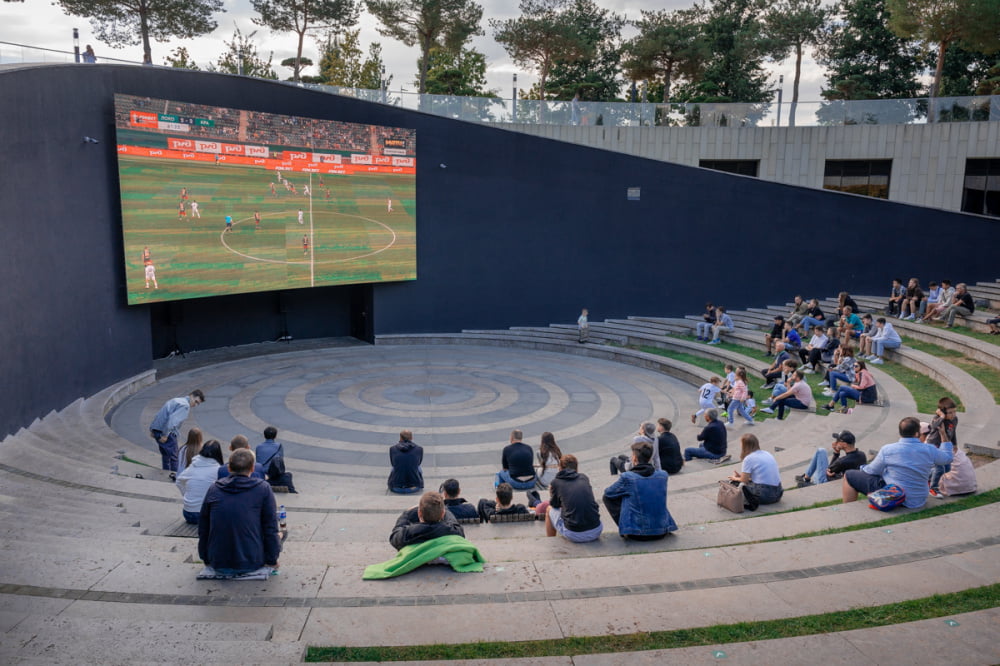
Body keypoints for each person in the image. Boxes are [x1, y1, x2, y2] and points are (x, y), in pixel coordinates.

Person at [198, 448, 282, 575]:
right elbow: (270, 527)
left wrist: (205, 557)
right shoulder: (263, 489)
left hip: (218, 561)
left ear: (229, 468)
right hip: (252, 562)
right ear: (252, 469)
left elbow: (203, 527)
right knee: (280, 533)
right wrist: (272, 560)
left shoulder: (214, 488)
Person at [843, 417, 954, 508]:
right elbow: (948, 458)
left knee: (849, 475)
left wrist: (862, 468)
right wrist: (943, 433)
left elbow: (872, 470)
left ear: (900, 432)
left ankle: (848, 509)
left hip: (895, 496)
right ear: (917, 433)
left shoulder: (888, 449)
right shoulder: (930, 449)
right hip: (919, 499)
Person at [602, 441, 677, 540]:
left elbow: (608, 493)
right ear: (650, 458)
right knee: (644, 493)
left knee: (612, 496)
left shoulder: (628, 477)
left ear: (634, 458)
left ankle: (627, 528)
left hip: (637, 534)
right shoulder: (663, 475)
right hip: (661, 530)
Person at [545, 455, 603, 543]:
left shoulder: (556, 482)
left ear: (560, 468)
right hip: (596, 530)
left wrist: (552, 493)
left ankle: (550, 541)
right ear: (576, 468)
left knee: (549, 510)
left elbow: (555, 505)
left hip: (574, 534)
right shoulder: (584, 478)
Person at [149, 390, 205, 470]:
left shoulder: (176, 400)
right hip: (167, 433)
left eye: (198, 404)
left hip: (158, 430)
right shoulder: (185, 406)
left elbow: (159, 414)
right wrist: (165, 435)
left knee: (166, 456)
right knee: (174, 458)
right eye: (196, 402)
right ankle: (174, 478)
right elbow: (172, 421)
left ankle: (166, 473)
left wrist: (152, 429)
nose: (195, 405)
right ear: (191, 396)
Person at [389, 491, 464, 551]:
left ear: (419, 513)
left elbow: (394, 537)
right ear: (442, 514)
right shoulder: (451, 530)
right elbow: (455, 524)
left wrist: (406, 513)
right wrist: (444, 509)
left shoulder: (408, 533)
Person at [728, 434, 782, 510]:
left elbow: (744, 480)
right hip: (778, 493)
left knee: (733, 483)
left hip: (765, 495)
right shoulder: (767, 453)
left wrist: (735, 478)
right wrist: (741, 476)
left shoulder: (749, 458)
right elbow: (760, 476)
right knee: (742, 482)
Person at [176, 440, 223, 524]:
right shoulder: (217, 469)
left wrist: (185, 494)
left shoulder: (193, 466)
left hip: (187, 512)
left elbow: (179, 481)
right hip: (204, 514)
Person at [795, 431, 866, 486]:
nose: (836, 442)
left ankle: (806, 479)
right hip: (844, 481)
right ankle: (806, 477)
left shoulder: (842, 461)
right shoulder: (862, 454)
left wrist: (836, 453)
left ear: (844, 444)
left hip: (824, 483)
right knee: (821, 451)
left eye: (838, 440)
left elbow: (828, 471)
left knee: (821, 451)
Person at [927, 397, 959, 496]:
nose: (953, 415)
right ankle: (933, 488)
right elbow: (934, 426)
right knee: (940, 468)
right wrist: (941, 416)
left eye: (954, 412)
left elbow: (953, 432)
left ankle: (927, 478)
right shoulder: (937, 419)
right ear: (942, 412)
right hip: (934, 446)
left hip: (946, 445)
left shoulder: (954, 419)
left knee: (947, 468)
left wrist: (955, 443)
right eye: (950, 412)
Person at [256, 426, 297, 493]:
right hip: (275, 472)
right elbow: (280, 461)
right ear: (275, 436)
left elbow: (258, 461)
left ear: (264, 436)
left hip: (263, 473)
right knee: (288, 475)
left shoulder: (259, 447)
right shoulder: (279, 446)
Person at [388, 429, 423, 494]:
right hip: (414, 488)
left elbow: (393, 463)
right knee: (418, 466)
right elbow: (419, 462)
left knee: (394, 466)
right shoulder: (419, 449)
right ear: (411, 438)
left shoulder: (392, 449)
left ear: (400, 438)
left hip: (396, 488)